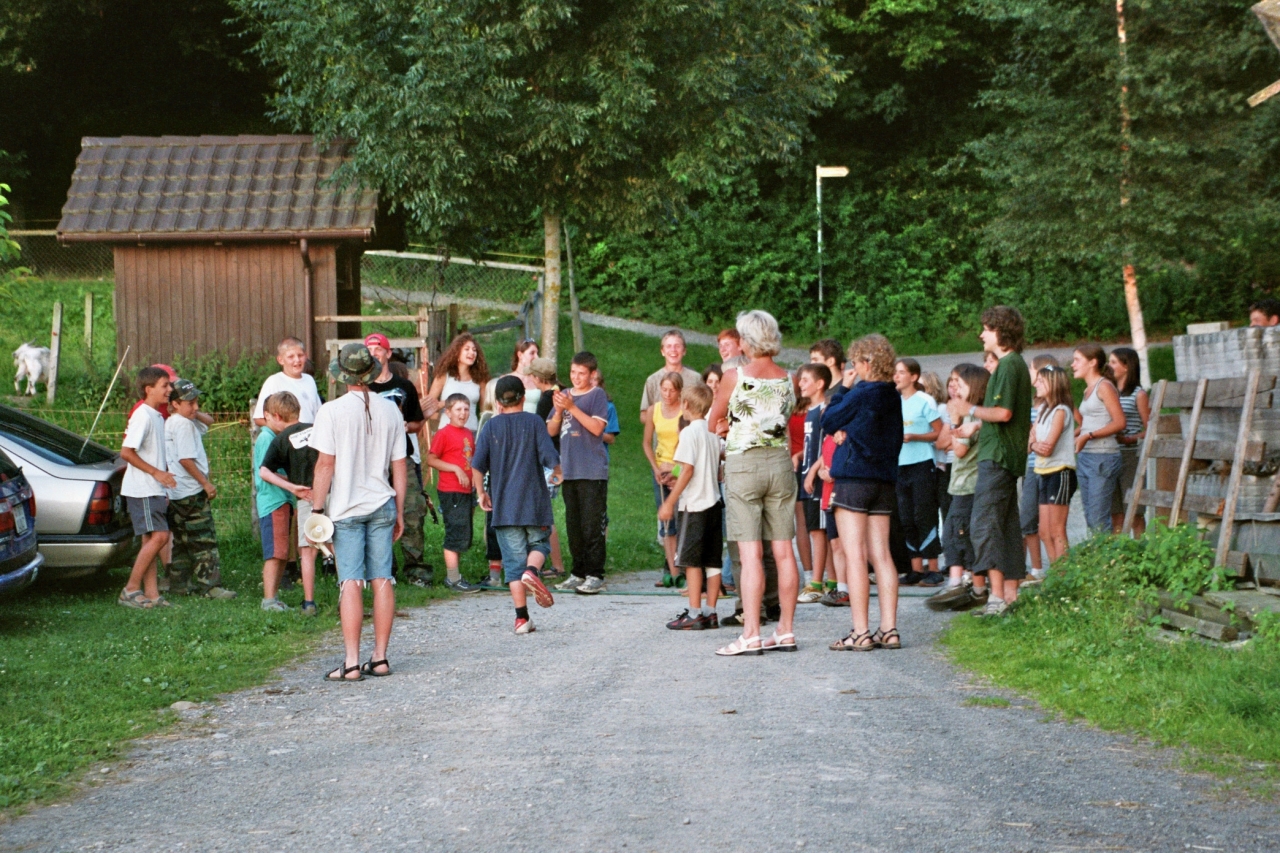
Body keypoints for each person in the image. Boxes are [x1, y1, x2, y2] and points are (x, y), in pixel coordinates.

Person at [310, 343, 408, 681]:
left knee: (350, 580)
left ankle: (351, 662)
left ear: (342, 375)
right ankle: (379, 657)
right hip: (382, 504)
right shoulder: (391, 409)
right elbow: (399, 466)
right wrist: (399, 512)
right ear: (371, 372)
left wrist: (317, 510)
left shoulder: (331, 411)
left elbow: (325, 465)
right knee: (382, 577)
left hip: (345, 507)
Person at [707, 310, 801, 656]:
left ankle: (751, 633)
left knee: (751, 555)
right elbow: (780, 420)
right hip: (779, 463)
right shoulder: (789, 379)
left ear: (747, 341)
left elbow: (713, 421)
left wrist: (727, 426)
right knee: (783, 551)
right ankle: (786, 630)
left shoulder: (735, 376)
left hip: (744, 465)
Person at [822, 335, 904, 651]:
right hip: (883, 480)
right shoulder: (893, 396)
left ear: (866, 363)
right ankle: (889, 629)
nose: (853, 369)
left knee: (855, 555)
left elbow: (829, 419)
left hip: (854, 480)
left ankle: (860, 632)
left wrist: (843, 388)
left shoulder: (861, 392)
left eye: (856, 363)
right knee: (881, 555)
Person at [952, 306, 1034, 618]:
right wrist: (976, 425)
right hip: (1003, 456)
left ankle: (996, 597)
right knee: (1007, 525)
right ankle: (1010, 596)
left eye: (986, 329)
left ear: (1000, 331)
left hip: (997, 458)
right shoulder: (1012, 365)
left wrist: (969, 409)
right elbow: (1003, 416)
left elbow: (1004, 413)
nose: (981, 334)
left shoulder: (1008, 365)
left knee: (984, 525)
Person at [471, 376, 561, 634]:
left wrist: (481, 493)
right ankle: (532, 570)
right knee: (540, 544)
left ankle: (521, 619)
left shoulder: (491, 426)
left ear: (498, 402)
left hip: (504, 508)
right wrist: (558, 471)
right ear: (524, 398)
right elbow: (550, 457)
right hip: (534, 504)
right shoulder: (534, 422)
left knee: (512, 564)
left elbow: (477, 465)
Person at [364, 333, 432, 584]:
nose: (374, 353)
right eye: (369, 349)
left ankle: (416, 570)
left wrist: (403, 425)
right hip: (371, 460)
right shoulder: (361, 387)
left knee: (412, 510)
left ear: (388, 353)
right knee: (377, 513)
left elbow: (416, 423)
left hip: (402, 456)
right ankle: (384, 569)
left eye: (378, 348)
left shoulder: (404, 386)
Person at [660, 383, 725, 630]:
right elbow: (715, 466)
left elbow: (688, 469)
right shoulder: (712, 433)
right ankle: (711, 612)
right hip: (714, 502)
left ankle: (695, 612)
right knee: (712, 560)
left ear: (685, 404)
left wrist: (670, 501)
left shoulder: (688, 433)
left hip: (694, 505)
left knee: (692, 560)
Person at [164, 379, 234, 600]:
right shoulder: (183, 425)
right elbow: (186, 459)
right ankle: (210, 586)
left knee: (182, 541)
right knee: (204, 540)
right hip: (192, 491)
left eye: (196, 402)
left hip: (176, 493)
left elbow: (209, 421)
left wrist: (193, 411)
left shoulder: (175, 421)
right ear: (175, 404)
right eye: (190, 403)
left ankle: (179, 584)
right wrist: (205, 483)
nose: (195, 407)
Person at [548, 352, 611, 595]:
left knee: (591, 525)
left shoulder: (597, 395)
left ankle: (595, 574)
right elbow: (551, 430)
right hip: (570, 469)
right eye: (573, 372)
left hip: (592, 470)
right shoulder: (565, 395)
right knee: (573, 525)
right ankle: (578, 571)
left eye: (581, 373)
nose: (576, 377)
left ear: (592, 374)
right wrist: (558, 410)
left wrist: (572, 407)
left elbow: (597, 428)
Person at [926, 364, 987, 611]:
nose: (954, 389)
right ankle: (958, 583)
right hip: (958, 484)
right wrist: (953, 427)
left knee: (961, 534)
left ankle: (968, 585)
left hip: (969, 484)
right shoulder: (964, 416)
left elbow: (959, 449)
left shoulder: (972, 416)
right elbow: (942, 443)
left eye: (959, 384)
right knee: (952, 532)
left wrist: (954, 421)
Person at [258, 390, 322, 615]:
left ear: (276, 415)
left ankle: (309, 601)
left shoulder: (280, 439)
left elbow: (264, 471)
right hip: (329, 493)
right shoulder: (317, 429)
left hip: (304, 498)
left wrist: (293, 487)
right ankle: (347, 593)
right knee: (339, 544)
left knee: (306, 550)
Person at [118, 366, 177, 609]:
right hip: (142, 488)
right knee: (160, 536)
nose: (170, 389)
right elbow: (126, 452)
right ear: (148, 389)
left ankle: (152, 593)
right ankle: (130, 589)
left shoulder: (156, 415)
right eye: (165, 385)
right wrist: (156, 473)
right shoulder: (142, 415)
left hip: (154, 489)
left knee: (150, 540)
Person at [893, 358, 944, 586]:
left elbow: (938, 432)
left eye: (901, 372)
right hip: (900, 464)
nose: (896, 376)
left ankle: (933, 567)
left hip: (922, 463)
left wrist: (915, 436)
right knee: (906, 517)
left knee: (924, 514)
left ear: (913, 377)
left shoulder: (925, 400)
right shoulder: (894, 401)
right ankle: (915, 568)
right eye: (895, 372)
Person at [425, 394, 482, 592]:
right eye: (458, 409)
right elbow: (431, 459)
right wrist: (455, 469)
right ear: (448, 412)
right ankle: (453, 579)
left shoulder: (468, 433)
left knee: (464, 532)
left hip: (466, 490)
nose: (463, 413)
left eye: (466, 409)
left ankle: (456, 575)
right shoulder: (444, 433)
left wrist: (475, 480)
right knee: (455, 532)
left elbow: (470, 459)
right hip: (451, 490)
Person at [1072, 344, 1126, 535]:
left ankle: (1109, 553)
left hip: (1103, 456)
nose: (1072, 365)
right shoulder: (1087, 390)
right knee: (1091, 518)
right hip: (1086, 456)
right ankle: (1100, 552)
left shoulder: (1104, 386)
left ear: (1092, 362)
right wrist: (1075, 435)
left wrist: (1089, 436)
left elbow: (1120, 422)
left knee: (1098, 520)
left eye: (1077, 360)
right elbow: (1089, 423)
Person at [1030, 365, 1076, 565]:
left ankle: (1064, 574)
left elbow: (1047, 448)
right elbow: (1029, 442)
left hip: (1060, 472)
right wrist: (1034, 444)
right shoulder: (1043, 410)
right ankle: (1057, 571)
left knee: (1057, 530)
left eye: (1041, 381)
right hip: (1043, 471)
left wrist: (1034, 444)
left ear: (1053, 384)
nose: (1036, 384)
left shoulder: (1061, 411)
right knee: (1044, 531)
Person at [258, 393, 299, 612]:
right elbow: (266, 471)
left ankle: (274, 598)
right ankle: (268, 600)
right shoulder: (266, 438)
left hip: (283, 500)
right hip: (273, 501)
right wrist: (294, 480)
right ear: (273, 416)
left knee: (283, 551)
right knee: (274, 553)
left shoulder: (277, 437)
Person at [644, 371, 685, 587]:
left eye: (672, 390)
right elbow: (646, 442)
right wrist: (656, 468)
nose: (668, 394)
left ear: (679, 391)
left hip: (680, 468)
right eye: (664, 390)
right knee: (666, 522)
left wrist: (675, 470)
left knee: (683, 517)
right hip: (660, 469)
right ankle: (672, 570)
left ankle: (685, 566)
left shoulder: (684, 411)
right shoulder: (654, 410)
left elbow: (686, 442)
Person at [1020, 354, 1059, 583]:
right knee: (1027, 519)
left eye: (1031, 369)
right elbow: (1029, 436)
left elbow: (1077, 423)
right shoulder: (1032, 402)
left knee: (1050, 525)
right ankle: (1037, 569)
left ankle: (1058, 570)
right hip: (1031, 467)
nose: (1029, 373)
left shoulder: (1056, 405)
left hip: (1048, 467)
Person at [796, 363, 832, 603]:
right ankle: (830, 580)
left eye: (806, 380)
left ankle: (817, 583)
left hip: (817, 481)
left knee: (819, 532)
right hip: (807, 477)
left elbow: (828, 444)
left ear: (820, 384)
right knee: (815, 530)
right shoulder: (809, 410)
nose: (801, 384)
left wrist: (813, 471)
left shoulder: (824, 410)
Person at [1109, 347, 1149, 535]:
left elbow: (1150, 429)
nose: (1109, 366)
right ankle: (1119, 550)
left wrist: (1130, 438)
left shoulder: (1138, 394)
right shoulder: (1109, 391)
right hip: (1110, 453)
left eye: (1113, 362)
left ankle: (1141, 546)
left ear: (1126, 367)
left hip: (1130, 455)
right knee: (1115, 513)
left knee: (1134, 512)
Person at [253, 337, 323, 426]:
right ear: (280, 360)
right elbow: (259, 418)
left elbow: (318, 414)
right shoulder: (274, 382)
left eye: (300, 355)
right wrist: (282, 430)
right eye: (291, 357)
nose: (297, 360)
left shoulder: (309, 380)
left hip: (310, 432)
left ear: (306, 356)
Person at [639, 330, 703, 426]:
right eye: (668, 346)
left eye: (677, 346)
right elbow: (644, 414)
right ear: (662, 351)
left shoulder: (696, 379)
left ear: (684, 351)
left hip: (689, 434)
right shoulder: (652, 380)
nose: (673, 350)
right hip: (661, 435)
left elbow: (705, 410)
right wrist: (665, 423)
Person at [428, 333, 489, 430]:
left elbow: (484, 412)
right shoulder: (444, 376)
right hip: (447, 432)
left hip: (471, 432)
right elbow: (428, 408)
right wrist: (446, 404)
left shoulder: (480, 379)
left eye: (474, 350)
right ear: (457, 353)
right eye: (467, 349)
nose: (472, 352)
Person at [788, 374, 813, 584]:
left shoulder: (795, 408)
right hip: (796, 465)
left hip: (803, 463)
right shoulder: (791, 408)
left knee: (806, 523)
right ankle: (810, 573)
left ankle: (811, 573)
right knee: (804, 523)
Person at [485, 339, 543, 413]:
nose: (537, 357)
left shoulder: (538, 379)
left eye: (537, 353)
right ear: (520, 355)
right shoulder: (506, 380)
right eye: (532, 353)